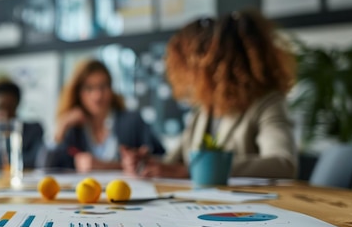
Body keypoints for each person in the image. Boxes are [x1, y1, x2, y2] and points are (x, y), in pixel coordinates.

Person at [122, 10, 297, 179]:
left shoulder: (266, 103)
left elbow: (283, 164)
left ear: (212, 67)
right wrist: (145, 162)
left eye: (189, 66)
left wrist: (198, 170)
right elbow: (174, 163)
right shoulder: (204, 110)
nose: (186, 75)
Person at [49, 59, 165, 172]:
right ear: (78, 92)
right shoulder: (73, 127)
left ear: (111, 89)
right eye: (89, 88)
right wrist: (60, 128)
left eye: (103, 87)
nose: (97, 96)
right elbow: (45, 168)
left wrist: (108, 166)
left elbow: (162, 159)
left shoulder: (132, 121)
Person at [0, 79, 44, 169]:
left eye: (11, 108)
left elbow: (36, 159)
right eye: (0, 108)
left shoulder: (32, 131)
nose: (5, 114)